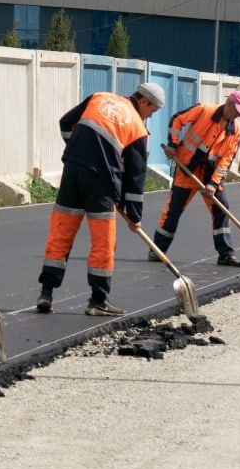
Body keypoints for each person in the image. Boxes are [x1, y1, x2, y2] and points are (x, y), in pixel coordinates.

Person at [36, 82, 165, 317]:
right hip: (101, 183)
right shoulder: (137, 128)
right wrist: (134, 216)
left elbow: (66, 122)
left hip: (72, 172)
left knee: (60, 233)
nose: (150, 116)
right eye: (152, 111)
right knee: (103, 241)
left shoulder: (99, 97)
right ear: (144, 101)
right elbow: (135, 177)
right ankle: (98, 301)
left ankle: (46, 293)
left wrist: (78, 149)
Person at [152, 90, 240, 267]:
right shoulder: (204, 110)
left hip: (210, 176)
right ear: (229, 105)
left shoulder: (236, 131)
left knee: (222, 209)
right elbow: (177, 119)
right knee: (173, 210)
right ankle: (157, 249)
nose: (239, 115)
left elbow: (226, 160)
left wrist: (213, 183)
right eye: (238, 111)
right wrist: (173, 143)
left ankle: (226, 254)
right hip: (187, 170)